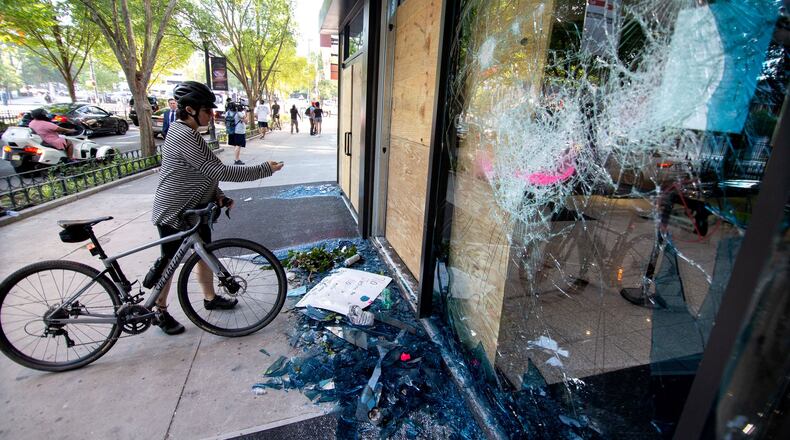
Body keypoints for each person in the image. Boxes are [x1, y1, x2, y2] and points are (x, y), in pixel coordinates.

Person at [150, 81, 284, 335]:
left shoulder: (190, 134)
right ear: (189, 110)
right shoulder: (182, 134)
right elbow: (219, 170)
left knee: (205, 255)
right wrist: (264, 169)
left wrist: (219, 196)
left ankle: (210, 298)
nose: (211, 116)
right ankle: (159, 310)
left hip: (196, 209)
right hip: (174, 210)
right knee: (169, 262)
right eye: (207, 110)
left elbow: (204, 174)